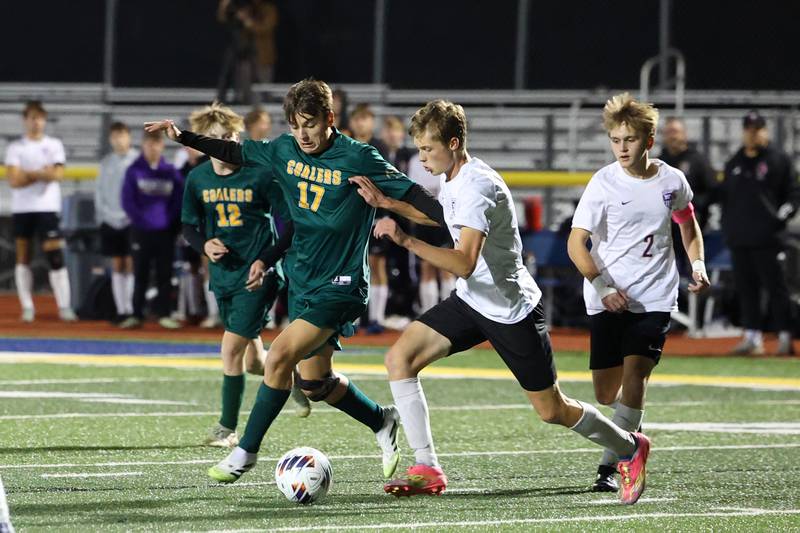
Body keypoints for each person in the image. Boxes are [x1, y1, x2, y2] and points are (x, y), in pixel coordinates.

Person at [145, 78, 444, 484]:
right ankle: (381, 420)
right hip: (301, 278)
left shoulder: (360, 157)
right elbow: (234, 150)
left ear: (329, 119)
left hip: (341, 283)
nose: (302, 134)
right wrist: (183, 136)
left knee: (280, 355)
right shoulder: (283, 149)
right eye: (295, 125)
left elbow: (418, 197)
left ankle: (245, 451)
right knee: (314, 381)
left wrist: (427, 213)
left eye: (310, 124)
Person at [373, 99, 652, 505]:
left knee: (552, 410)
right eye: (419, 149)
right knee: (400, 360)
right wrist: (391, 204)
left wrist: (404, 239)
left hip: (510, 309)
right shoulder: (455, 175)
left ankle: (630, 447)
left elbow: (465, 262)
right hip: (473, 301)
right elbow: (443, 214)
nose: (422, 158)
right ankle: (427, 466)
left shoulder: (478, 185)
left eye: (428, 149)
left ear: (453, 143)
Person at [567, 93, 710, 493]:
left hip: (655, 296)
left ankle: (610, 467)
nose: (621, 148)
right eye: (615, 140)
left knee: (636, 378)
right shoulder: (603, 183)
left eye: (629, 139)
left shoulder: (672, 181)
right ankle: (633, 434)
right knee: (605, 392)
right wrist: (602, 285)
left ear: (648, 140)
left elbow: (687, 224)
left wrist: (696, 264)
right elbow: (576, 243)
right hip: (606, 297)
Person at [181, 102, 307, 446]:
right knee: (253, 361)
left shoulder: (260, 173)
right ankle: (292, 378)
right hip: (223, 275)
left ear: (237, 139)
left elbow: (290, 226)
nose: (221, 145)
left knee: (230, 350)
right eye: (214, 139)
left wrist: (266, 260)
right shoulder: (197, 178)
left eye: (227, 138)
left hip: (258, 276)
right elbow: (188, 226)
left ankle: (226, 429)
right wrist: (204, 245)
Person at [715, 111, 800, 356]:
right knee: (746, 289)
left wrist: (782, 215)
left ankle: (784, 337)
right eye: (750, 129)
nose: (754, 133)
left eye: (758, 129)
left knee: (776, 288)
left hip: (769, 239)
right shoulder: (735, 162)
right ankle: (752, 337)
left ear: (766, 131)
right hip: (740, 238)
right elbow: (724, 196)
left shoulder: (778, 160)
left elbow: (793, 194)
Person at [4, 100, 75, 322]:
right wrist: (41, 173)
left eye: (40, 118)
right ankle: (27, 307)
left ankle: (64, 306)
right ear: (25, 120)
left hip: (47, 208)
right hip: (23, 209)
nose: (36, 122)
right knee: (23, 257)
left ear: (44, 121)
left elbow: (58, 175)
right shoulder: (16, 147)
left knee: (55, 256)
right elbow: (14, 180)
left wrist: (29, 174)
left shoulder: (54, 144)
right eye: (32, 118)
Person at [120, 130, 184, 329]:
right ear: (143, 145)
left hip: (165, 231)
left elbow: (178, 200)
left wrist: (170, 222)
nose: (153, 147)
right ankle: (136, 314)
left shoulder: (170, 171)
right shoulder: (133, 171)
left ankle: (163, 313)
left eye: (157, 143)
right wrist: (142, 221)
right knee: (140, 274)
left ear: (162, 146)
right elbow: (128, 201)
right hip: (141, 231)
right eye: (149, 143)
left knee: (165, 274)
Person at [350, 103, 390, 332]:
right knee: (351, 265)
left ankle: (377, 318)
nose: (361, 123)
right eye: (357, 119)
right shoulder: (345, 145)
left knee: (377, 265)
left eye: (365, 119)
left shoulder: (379, 147)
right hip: (351, 214)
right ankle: (353, 318)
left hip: (374, 212)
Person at [95, 122, 138, 321]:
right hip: (111, 219)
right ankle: (121, 309)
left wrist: (134, 215)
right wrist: (106, 216)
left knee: (131, 262)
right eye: (114, 136)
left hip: (132, 220)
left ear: (129, 137)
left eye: (122, 135)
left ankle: (131, 307)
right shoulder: (106, 163)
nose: (118, 140)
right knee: (117, 263)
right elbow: (100, 193)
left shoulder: (138, 160)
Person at [406, 153, 455, 313]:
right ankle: (429, 313)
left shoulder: (446, 157)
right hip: (424, 215)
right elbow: (414, 186)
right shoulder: (415, 160)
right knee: (427, 266)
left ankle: (450, 313)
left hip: (443, 214)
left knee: (446, 266)